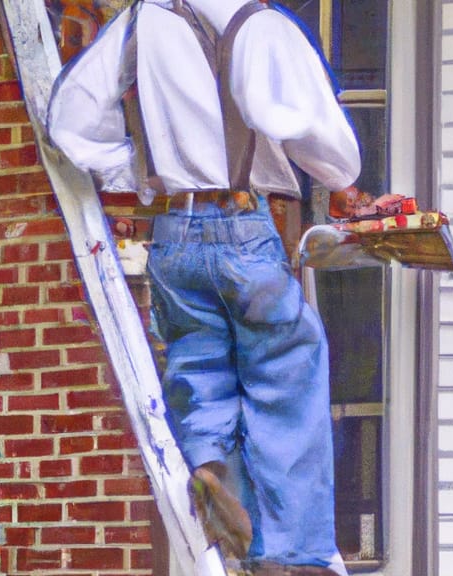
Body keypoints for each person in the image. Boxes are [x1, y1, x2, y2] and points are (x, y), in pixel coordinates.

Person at [47, 1, 366, 573]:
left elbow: (72, 118)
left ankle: (209, 464)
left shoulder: (143, 20)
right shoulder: (261, 25)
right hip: (242, 228)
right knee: (288, 372)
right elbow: (312, 130)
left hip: (172, 237)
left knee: (198, 364)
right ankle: (294, 554)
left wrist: (137, 171)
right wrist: (342, 178)